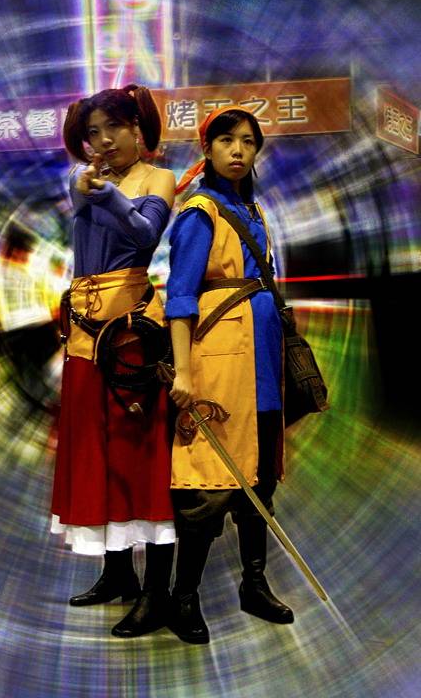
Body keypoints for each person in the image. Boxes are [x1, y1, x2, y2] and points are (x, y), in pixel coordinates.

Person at [50, 83, 176, 638]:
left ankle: (156, 590)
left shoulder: (159, 180)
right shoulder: (83, 180)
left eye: (114, 129)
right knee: (97, 448)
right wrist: (91, 187)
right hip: (82, 330)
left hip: (131, 332)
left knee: (139, 450)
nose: (102, 141)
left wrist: (106, 195)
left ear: (137, 129)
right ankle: (117, 571)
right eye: (92, 133)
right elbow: (81, 198)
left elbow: (145, 232)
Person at [165, 105, 294, 645]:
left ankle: (254, 584)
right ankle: (184, 597)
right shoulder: (200, 212)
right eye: (226, 140)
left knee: (259, 480)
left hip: (262, 363)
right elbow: (179, 297)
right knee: (208, 486)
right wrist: (184, 371)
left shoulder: (254, 210)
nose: (238, 150)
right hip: (218, 364)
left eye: (247, 140)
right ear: (208, 149)